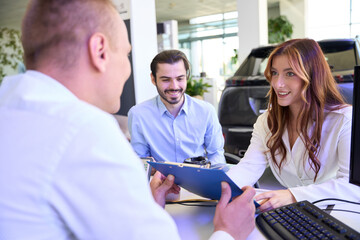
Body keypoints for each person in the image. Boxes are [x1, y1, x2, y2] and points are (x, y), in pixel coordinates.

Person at [0, 0, 256, 239]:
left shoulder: (10, 105)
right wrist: (227, 232)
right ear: (99, 50)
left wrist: (148, 207)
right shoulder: (87, 131)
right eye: (125, 54)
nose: (126, 70)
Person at [227, 38, 360, 212]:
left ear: (313, 76)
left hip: (338, 211)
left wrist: (292, 195)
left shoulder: (344, 120)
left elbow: (352, 186)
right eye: (274, 73)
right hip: (295, 211)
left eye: (290, 73)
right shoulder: (267, 121)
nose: (277, 83)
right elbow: (249, 167)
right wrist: (218, 187)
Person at [128, 50, 225, 165]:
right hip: (160, 181)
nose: (174, 86)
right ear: (153, 79)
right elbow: (140, 160)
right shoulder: (138, 114)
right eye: (166, 80)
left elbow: (216, 155)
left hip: (198, 180)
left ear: (187, 77)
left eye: (180, 79)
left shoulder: (206, 111)